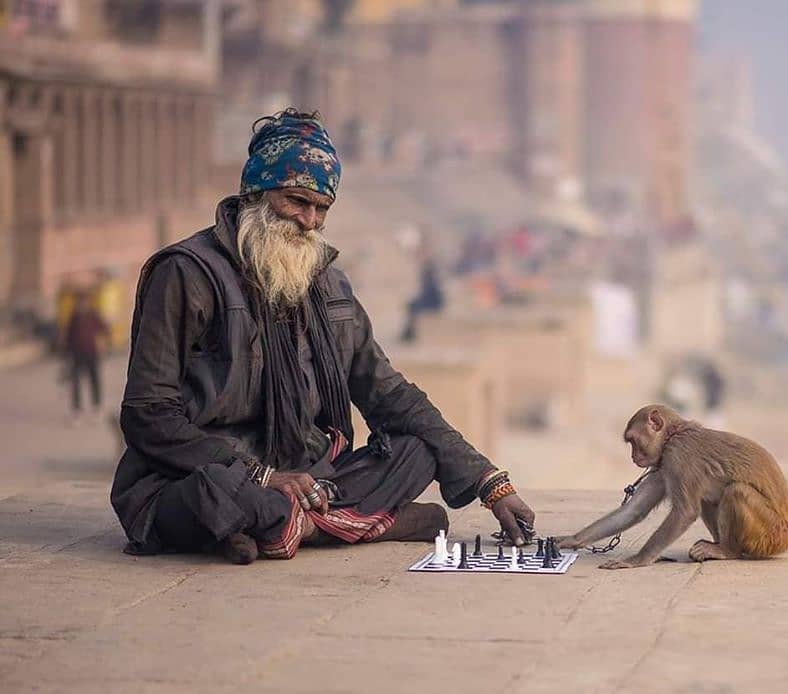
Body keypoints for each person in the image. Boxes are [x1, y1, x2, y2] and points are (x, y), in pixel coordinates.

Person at [111, 109, 535, 565]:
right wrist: (260, 475)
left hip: (307, 476)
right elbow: (148, 415)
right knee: (223, 498)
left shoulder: (330, 286)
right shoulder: (186, 274)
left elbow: (389, 394)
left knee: (416, 450)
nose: (310, 221)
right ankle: (347, 522)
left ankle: (295, 527)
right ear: (256, 193)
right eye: (296, 201)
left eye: (322, 208)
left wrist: (491, 483)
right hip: (202, 475)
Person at [64, 289, 110, 423]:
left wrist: (104, 345)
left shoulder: (93, 315)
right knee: (76, 383)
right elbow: (68, 336)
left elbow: (105, 329)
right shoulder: (74, 317)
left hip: (92, 353)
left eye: (83, 302)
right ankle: (77, 411)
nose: (81, 304)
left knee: (94, 381)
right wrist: (67, 353)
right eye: (79, 302)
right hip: (77, 354)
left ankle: (96, 408)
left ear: (88, 303)